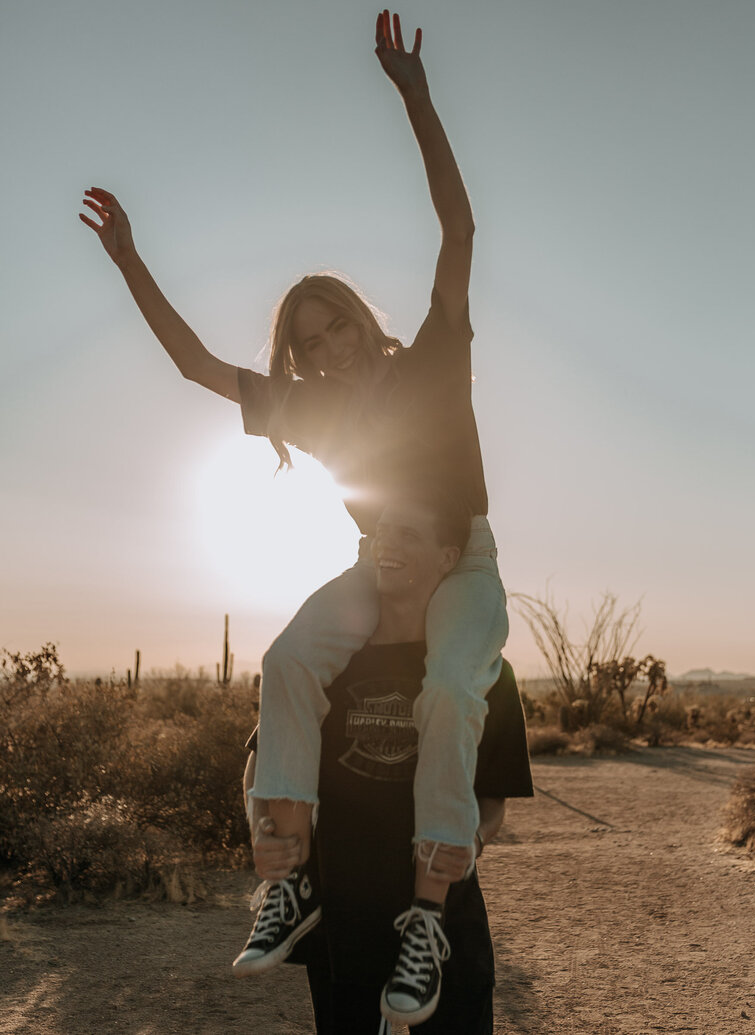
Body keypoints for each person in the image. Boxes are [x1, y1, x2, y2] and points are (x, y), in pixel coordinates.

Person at [80, 12, 508, 1023]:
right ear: (301, 360)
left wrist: (413, 96)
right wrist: (130, 262)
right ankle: (290, 874)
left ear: (363, 320)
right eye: (306, 344)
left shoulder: (435, 363)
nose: (326, 352)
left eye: (336, 328)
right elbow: (193, 364)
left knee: (450, 683)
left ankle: (428, 916)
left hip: (462, 563)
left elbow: (458, 231)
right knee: (283, 661)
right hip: (377, 566)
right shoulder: (309, 410)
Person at [241, 493, 533, 1033]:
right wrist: (263, 830)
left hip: (444, 931)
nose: (387, 546)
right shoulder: (327, 658)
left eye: (409, 535)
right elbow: (263, 763)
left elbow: (492, 800)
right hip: (342, 923)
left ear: (449, 558)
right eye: (383, 532)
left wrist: (474, 842)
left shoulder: (481, 673)